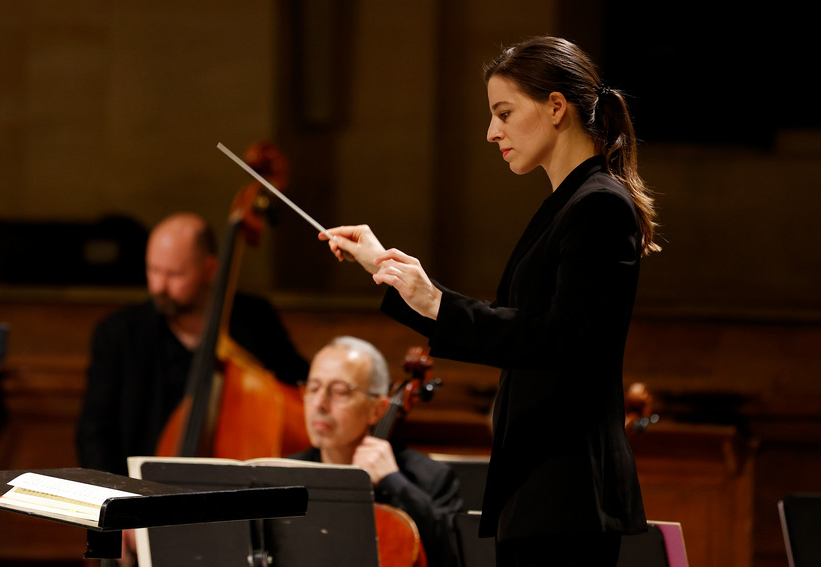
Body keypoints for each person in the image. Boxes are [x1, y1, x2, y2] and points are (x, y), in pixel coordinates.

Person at [319, 36, 659, 566]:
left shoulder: (598, 206)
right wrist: (388, 270)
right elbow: (516, 327)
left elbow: (560, 340)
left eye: (504, 113)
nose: (491, 131)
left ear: (555, 107)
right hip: (542, 492)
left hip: (568, 492)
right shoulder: (569, 204)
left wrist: (436, 302)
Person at [76, 212, 309, 476]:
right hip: (136, 489)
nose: (159, 286)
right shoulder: (119, 333)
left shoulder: (256, 320)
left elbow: (301, 386)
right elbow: (94, 431)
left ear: (210, 269)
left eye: (174, 274)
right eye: (153, 270)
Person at [290, 336, 463, 567]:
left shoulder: (431, 479)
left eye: (340, 391)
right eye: (313, 388)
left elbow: (457, 555)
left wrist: (395, 483)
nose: (319, 403)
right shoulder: (285, 476)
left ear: (378, 409)